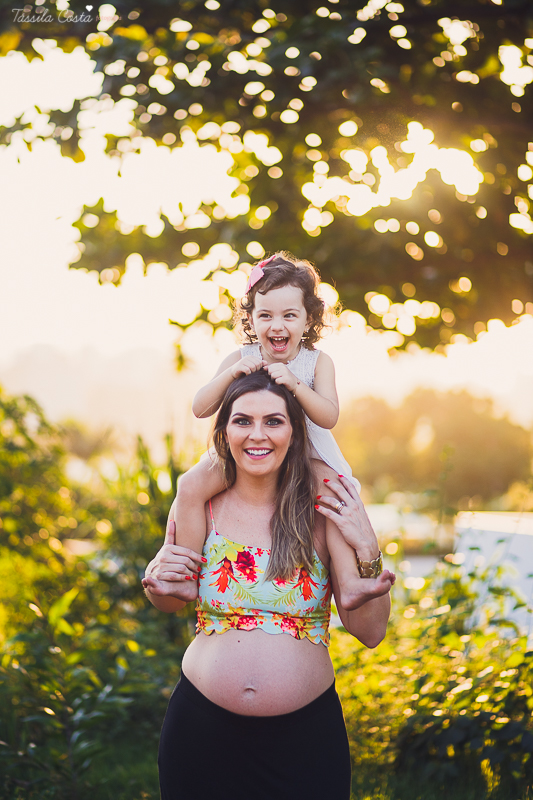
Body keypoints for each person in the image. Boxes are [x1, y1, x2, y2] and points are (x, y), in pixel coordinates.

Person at [143, 370, 396, 800]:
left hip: (304, 741)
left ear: (296, 433)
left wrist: (369, 549)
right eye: (242, 421)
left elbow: (370, 633)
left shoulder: (326, 511)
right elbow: (172, 600)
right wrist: (157, 581)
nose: (257, 435)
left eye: (273, 421)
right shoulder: (203, 503)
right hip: (200, 733)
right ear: (224, 432)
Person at [171, 251, 362, 573]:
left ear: (309, 319)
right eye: (265, 316)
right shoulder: (241, 357)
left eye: (289, 315)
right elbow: (200, 408)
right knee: (189, 484)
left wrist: (296, 386)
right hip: (248, 452)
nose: (277, 325)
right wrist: (230, 374)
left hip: (307, 455)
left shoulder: (316, 362)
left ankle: (350, 578)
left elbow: (328, 417)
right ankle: (183, 566)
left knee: (339, 497)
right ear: (251, 320)